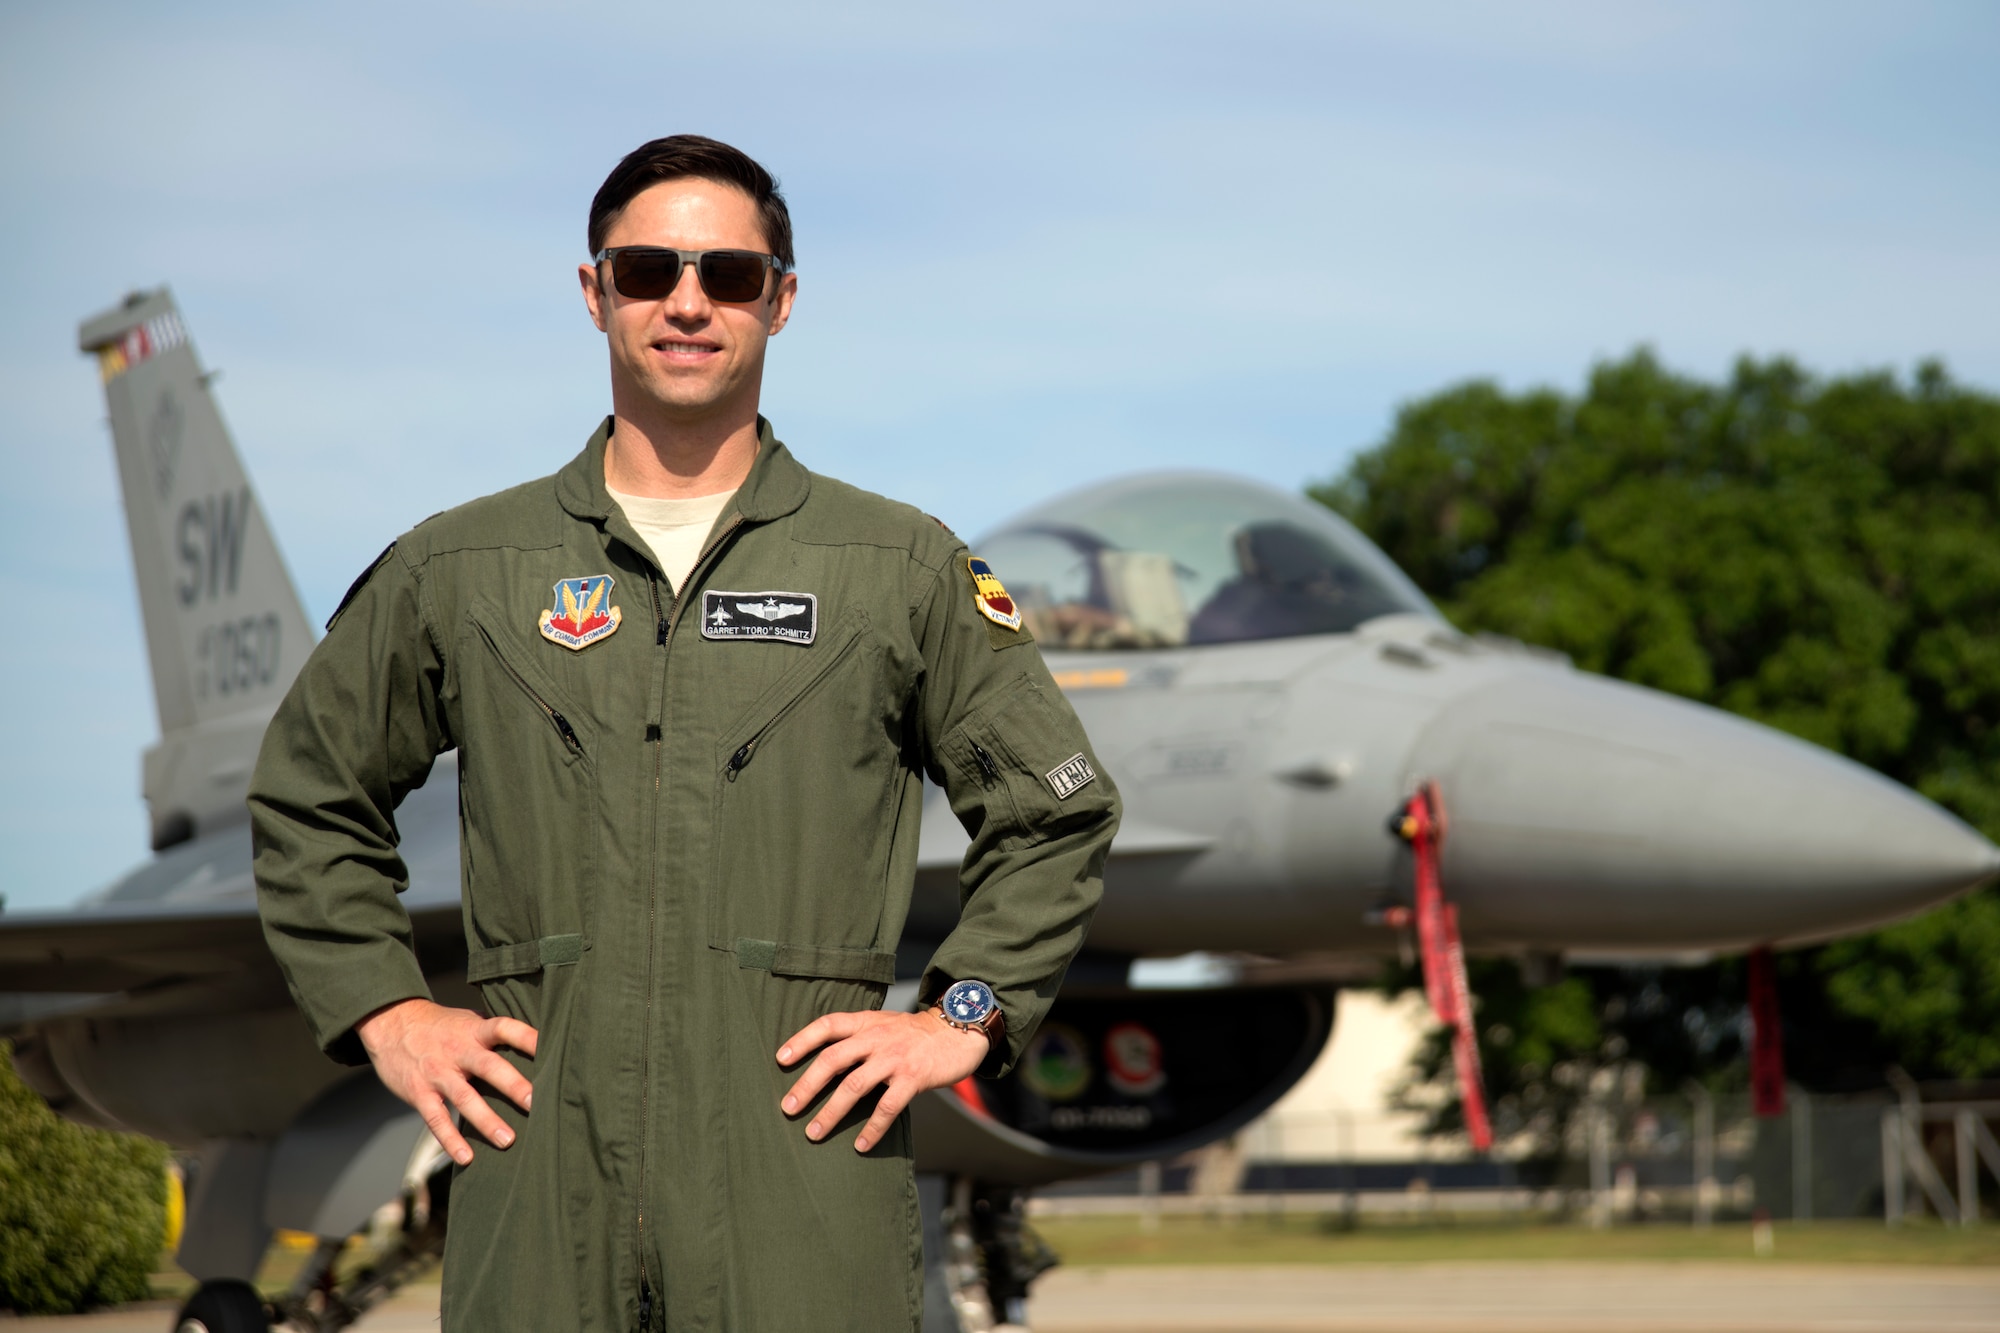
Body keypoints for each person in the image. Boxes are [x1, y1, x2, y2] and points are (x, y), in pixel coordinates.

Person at [250, 134, 1120, 1332]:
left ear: (782, 301)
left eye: (730, 274)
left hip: (802, 1184)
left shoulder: (894, 567)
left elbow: (1055, 809)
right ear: (595, 289)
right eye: (649, 268)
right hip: (537, 1174)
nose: (688, 302)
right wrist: (385, 1011)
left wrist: (957, 1017)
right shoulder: (462, 568)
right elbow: (310, 792)